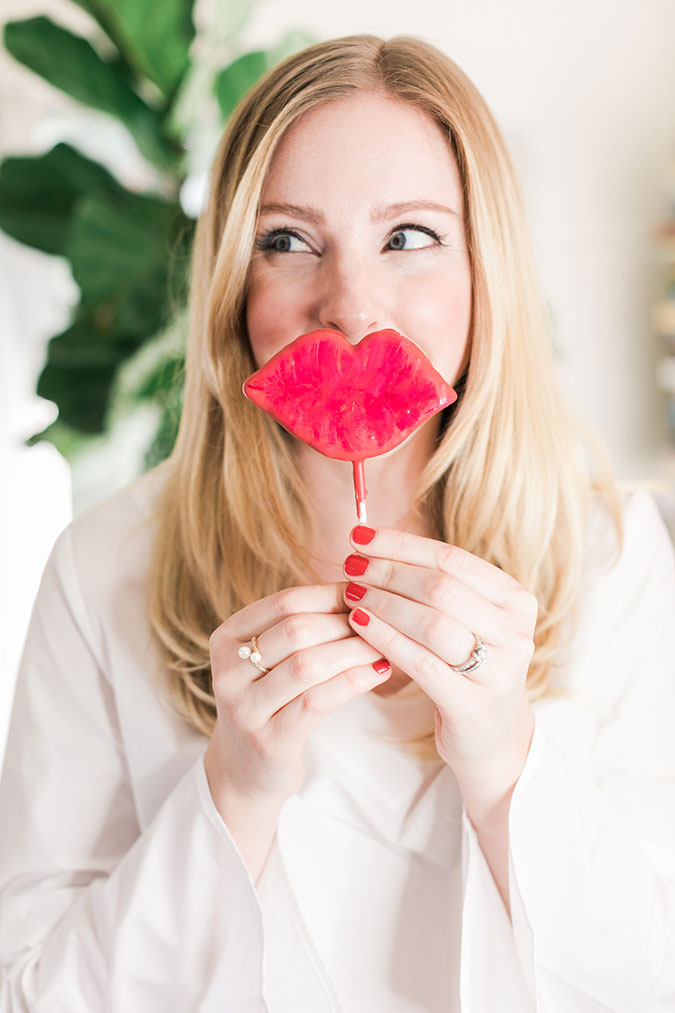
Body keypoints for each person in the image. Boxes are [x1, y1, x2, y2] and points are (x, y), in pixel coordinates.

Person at [1, 33, 674, 1012]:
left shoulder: (615, 559)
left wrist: (504, 762)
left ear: (487, 273)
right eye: (287, 240)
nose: (352, 307)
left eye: (409, 236)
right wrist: (234, 790)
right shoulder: (102, 568)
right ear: (235, 287)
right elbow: (32, 993)